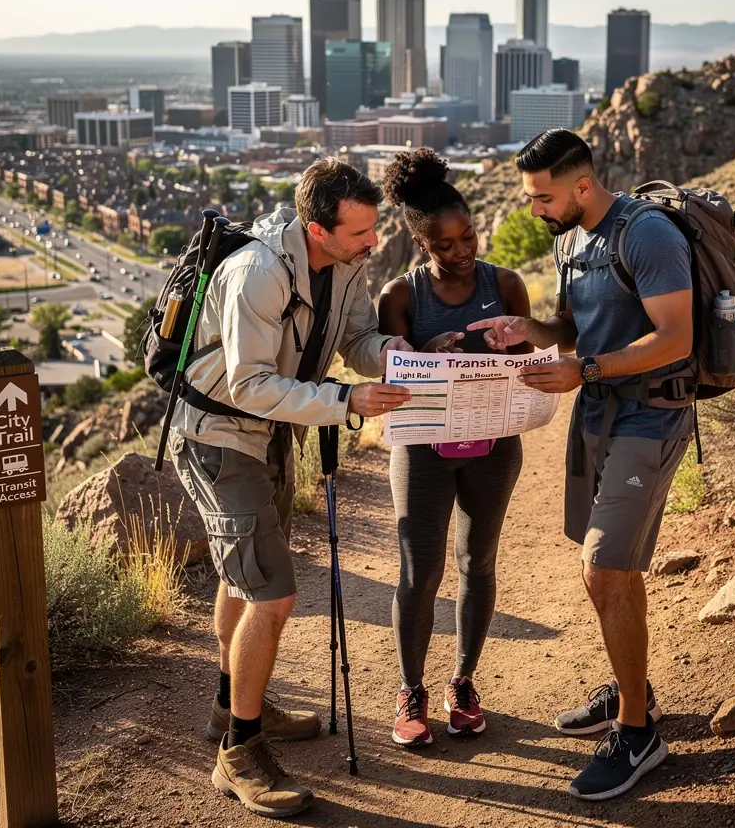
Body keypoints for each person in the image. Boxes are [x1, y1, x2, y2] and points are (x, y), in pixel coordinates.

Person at [168, 158, 412, 819]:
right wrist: (346, 400)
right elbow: (248, 383)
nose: (372, 243)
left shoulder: (346, 262)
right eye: (360, 233)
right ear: (316, 227)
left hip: (269, 433)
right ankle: (239, 756)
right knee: (272, 595)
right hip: (219, 437)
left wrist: (405, 358)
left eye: (372, 231)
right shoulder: (259, 273)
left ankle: (232, 707)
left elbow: (357, 338)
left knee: (240, 577)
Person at [467, 128, 694, 802]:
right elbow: (573, 329)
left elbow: (677, 337)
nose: (534, 208)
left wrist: (584, 369)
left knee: (605, 567)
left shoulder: (646, 235)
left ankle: (638, 734)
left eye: (542, 196)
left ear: (583, 187)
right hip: (598, 415)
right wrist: (528, 334)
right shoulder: (569, 239)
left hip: (651, 415)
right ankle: (634, 693)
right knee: (609, 572)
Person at [377, 148, 531, 747]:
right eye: (446, 245)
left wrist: (508, 348)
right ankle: (410, 691)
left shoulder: (507, 284)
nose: (463, 250)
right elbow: (390, 376)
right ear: (422, 245)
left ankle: (463, 682)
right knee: (420, 571)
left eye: (469, 236)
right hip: (423, 452)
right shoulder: (400, 297)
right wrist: (426, 356)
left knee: (477, 563)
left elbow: (529, 360)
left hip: (494, 446)